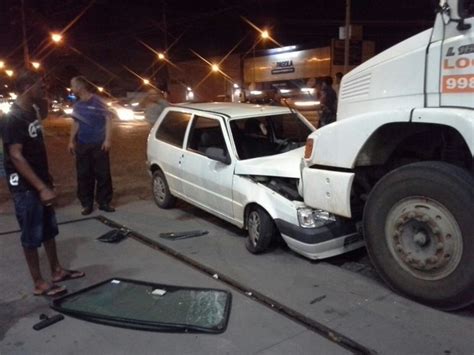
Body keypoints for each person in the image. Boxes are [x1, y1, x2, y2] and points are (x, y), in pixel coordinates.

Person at [2, 70, 85, 297]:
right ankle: (39, 282)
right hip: (25, 186)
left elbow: (36, 147)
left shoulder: (32, 111)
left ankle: (56, 270)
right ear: (28, 87)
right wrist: (40, 187)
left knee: (49, 229)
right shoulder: (13, 117)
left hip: (40, 179)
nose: (44, 89)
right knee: (31, 233)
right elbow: (16, 155)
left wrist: (46, 179)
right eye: (40, 86)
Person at [68, 76, 114, 215]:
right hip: (83, 144)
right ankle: (86, 204)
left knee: (103, 173)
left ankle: (104, 202)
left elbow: (108, 120)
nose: (72, 89)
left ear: (80, 86)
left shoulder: (98, 101)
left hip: (99, 144)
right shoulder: (77, 105)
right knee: (83, 174)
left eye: (73, 86)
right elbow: (75, 123)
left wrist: (107, 139)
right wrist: (71, 141)